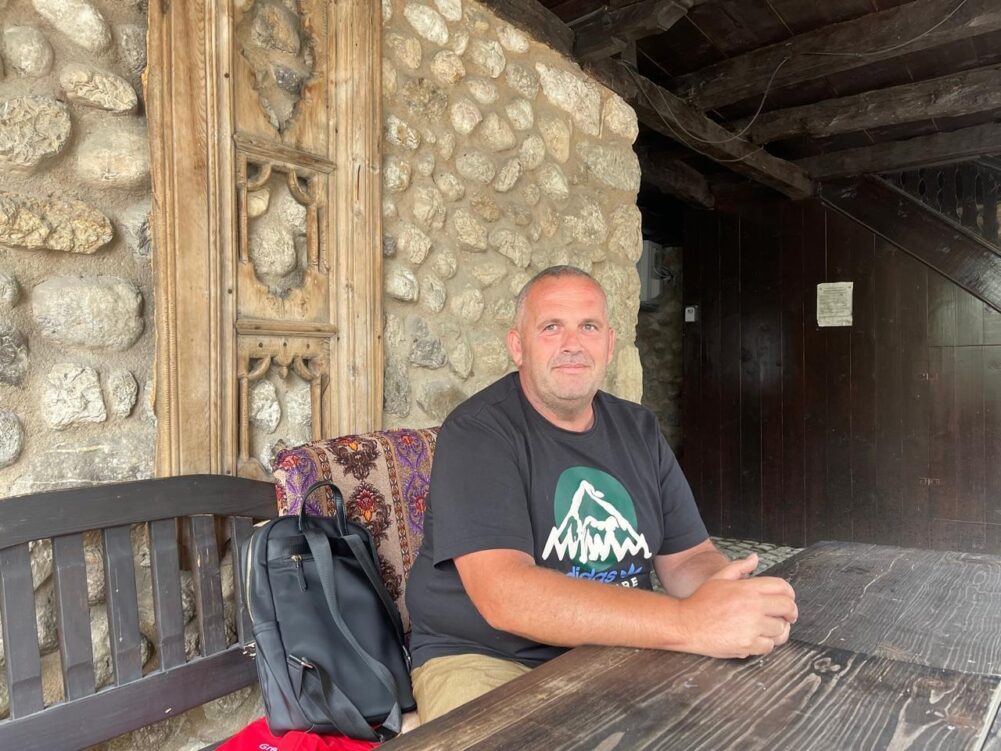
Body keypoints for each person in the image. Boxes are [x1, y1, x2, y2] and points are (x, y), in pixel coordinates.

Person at [404, 265, 798, 723]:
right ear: (518, 346)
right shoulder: (479, 432)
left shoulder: (638, 428)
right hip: (488, 658)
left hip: (620, 644)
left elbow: (688, 558)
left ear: (609, 344)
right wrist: (689, 622)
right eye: (552, 327)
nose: (572, 343)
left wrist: (728, 597)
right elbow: (505, 596)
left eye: (588, 327)